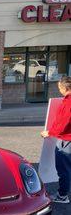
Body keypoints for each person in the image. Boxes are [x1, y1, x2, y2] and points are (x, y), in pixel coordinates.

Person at [41, 75, 71, 203]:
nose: (59, 90)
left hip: (66, 139)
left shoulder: (68, 102)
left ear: (65, 87)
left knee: (64, 169)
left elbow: (64, 123)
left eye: (59, 87)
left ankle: (62, 196)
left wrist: (50, 132)